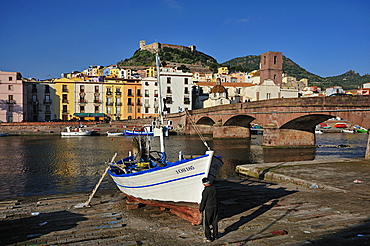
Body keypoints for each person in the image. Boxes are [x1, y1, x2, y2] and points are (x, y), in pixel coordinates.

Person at [199, 177, 218, 242]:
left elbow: (203, 200)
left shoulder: (205, 191)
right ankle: (215, 236)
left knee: (206, 223)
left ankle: (208, 238)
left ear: (204, 184)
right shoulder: (214, 188)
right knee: (214, 222)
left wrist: (201, 209)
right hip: (215, 207)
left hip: (208, 208)